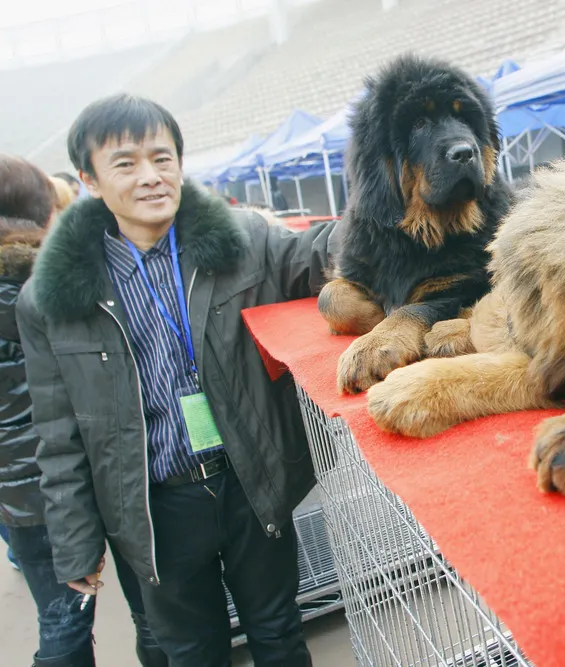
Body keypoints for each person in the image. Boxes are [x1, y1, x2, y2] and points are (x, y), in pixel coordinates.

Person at [16, 94, 337, 667]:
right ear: (89, 180)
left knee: (279, 633)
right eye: (125, 163)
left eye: (161, 158)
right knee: (191, 654)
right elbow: (59, 435)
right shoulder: (49, 299)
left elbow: (319, 254)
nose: (150, 176)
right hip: (155, 507)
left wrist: (391, 200)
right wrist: (76, 543)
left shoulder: (242, 241)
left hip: (249, 482)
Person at [0, 154, 168, 667]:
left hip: (20, 493)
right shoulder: (48, 287)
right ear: (47, 211)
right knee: (151, 612)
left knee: (63, 619)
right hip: (93, 473)